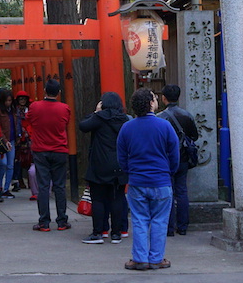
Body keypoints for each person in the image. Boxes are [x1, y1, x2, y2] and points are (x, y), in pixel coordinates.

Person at [117, 87, 178, 271]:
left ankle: (140, 258)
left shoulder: (127, 127)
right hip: (161, 180)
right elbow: (174, 154)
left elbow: (121, 157)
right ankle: (157, 258)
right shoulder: (165, 126)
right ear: (151, 103)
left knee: (139, 219)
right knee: (160, 220)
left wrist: (130, 171)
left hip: (137, 181)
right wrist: (169, 172)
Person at [78, 91, 129, 244]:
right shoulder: (124, 119)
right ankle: (117, 233)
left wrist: (96, 111)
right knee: (117, 199)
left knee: (98, 199)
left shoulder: (99, 118)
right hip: (119, 164)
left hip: (100, 164)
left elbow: (83, 126)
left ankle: (98, 232)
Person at [24, 77, 71, 232]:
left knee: (43, 186)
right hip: (59, 150)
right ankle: (62, 220)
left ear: (44, 90)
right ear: (59, 92)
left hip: (40, 150)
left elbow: (27, 120)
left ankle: (44, 222)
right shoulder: (65, 108)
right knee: (59, 186)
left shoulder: (35, 107)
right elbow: (66, 123)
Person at [158, 84, 199, 236]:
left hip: (166, 159)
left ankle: (168, 228)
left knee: (167, 193)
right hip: (183, 158)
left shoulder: (160, 118)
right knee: (181, 191)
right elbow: (194, 136)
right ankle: (182, 226)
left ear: (163, 98)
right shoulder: (186, 115)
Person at [0, 87, 18, 198]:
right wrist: (4, 140)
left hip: (12, 139)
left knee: (10, 165)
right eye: (7, 100)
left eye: (10, 100)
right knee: (3, 163)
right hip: (2, 141)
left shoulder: (13, 110)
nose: (9, 102)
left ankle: (6, 188)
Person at [12, 90, 32, 194]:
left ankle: (30, 180)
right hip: (19, 137)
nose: (22, 101)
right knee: (18, 159)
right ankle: (18, 180)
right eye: (20, 99)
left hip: (29, 136)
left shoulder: (30, 110)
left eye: (24, 99)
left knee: (29, 159)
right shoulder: (15, 111)